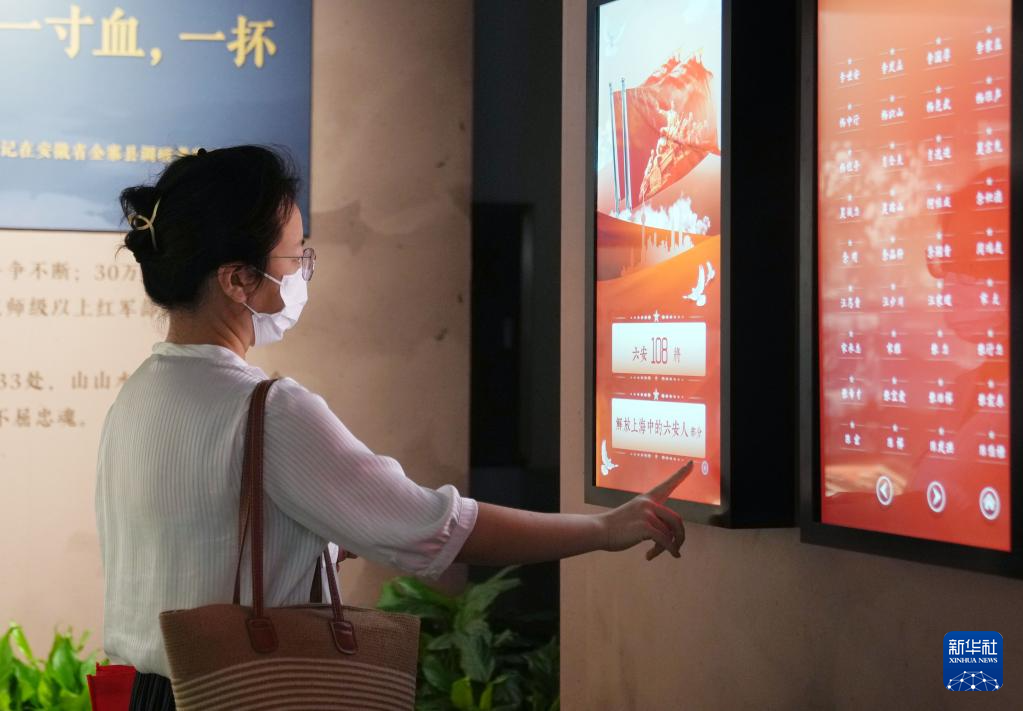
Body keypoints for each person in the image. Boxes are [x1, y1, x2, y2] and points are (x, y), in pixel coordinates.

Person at [96, 145, 690, 710]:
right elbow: (437, 529)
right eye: (294, 256)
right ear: (237, 280)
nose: (303, 272)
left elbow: (203, 538)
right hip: (245, 691)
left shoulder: (139, 395)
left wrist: (329, 536)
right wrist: (603, 529)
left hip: (154, 696)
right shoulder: (270, 410)